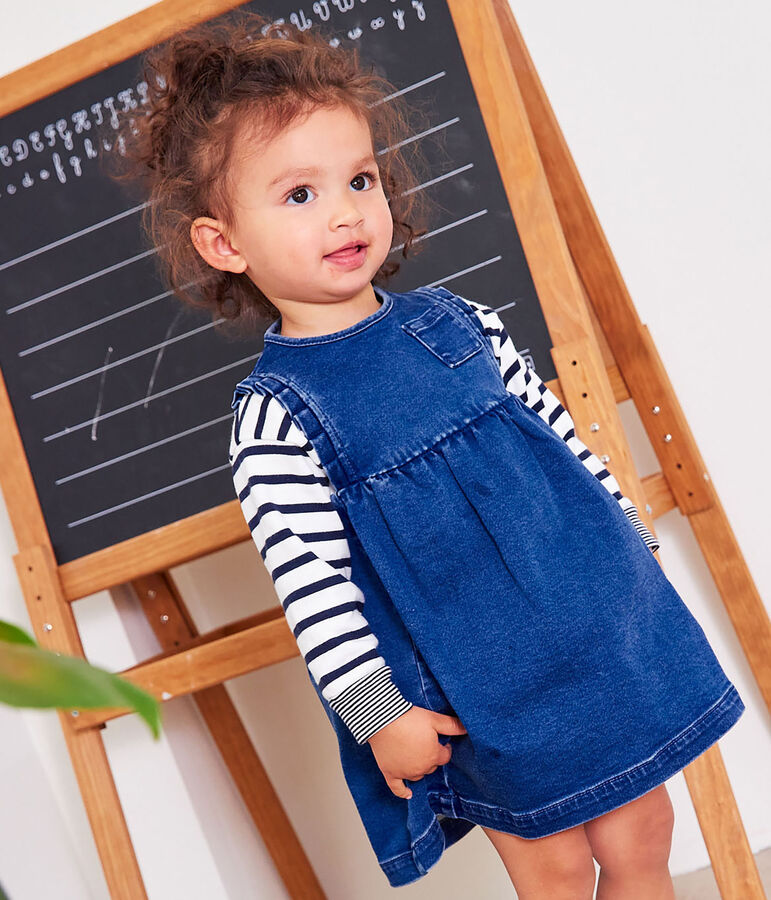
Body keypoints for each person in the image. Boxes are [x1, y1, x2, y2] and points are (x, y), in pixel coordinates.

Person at [110, 10, 745, 896]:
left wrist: (632, 556)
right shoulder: (276, 418)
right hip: (483, 691)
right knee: (555, 866)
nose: (344, 212)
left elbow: (564, 453)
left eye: (359, 179)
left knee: (643, 831)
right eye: (300, 195)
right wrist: (378, 716)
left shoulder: (462, 324)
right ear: (224, 243)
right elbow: (314, 591)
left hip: (595, 632)